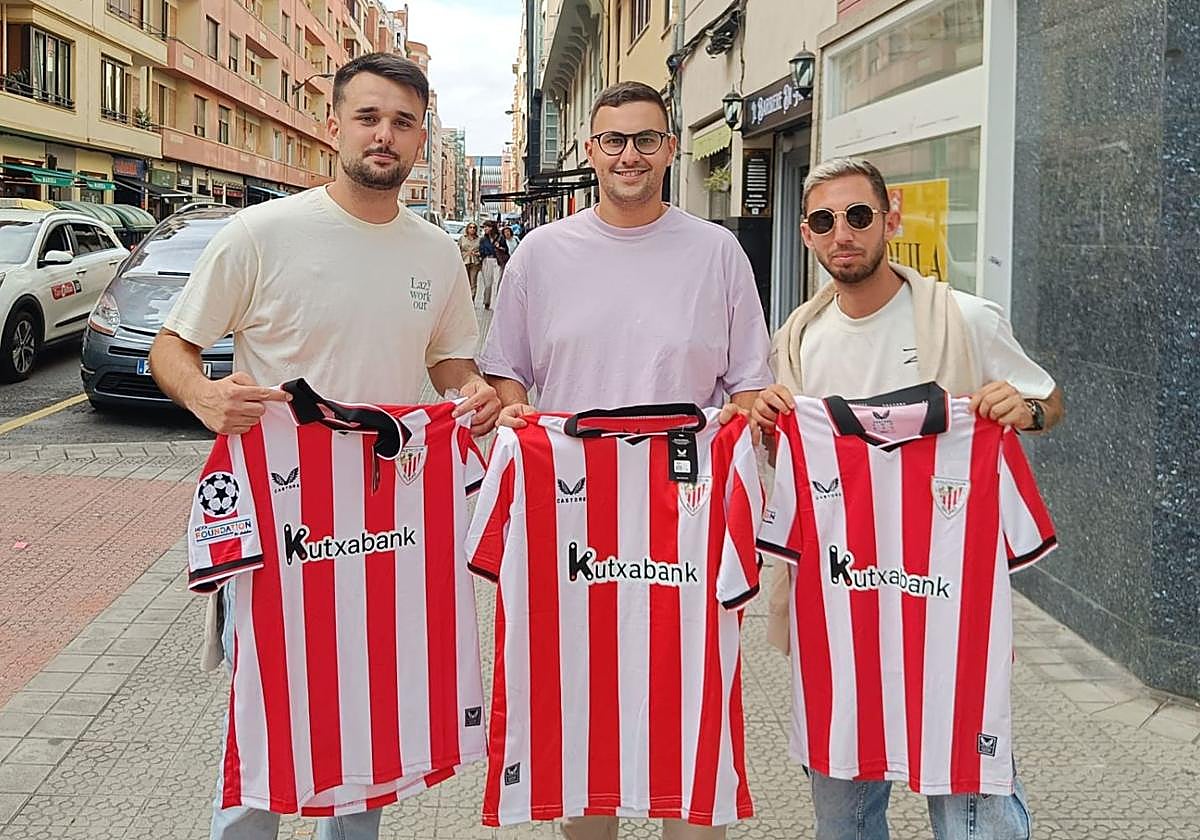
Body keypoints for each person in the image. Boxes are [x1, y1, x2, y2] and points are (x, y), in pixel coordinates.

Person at [148, 52, 500, 840]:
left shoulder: (434, 252)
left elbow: (449, 359)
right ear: (332, 124)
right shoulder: (261, 233)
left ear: (420, 140)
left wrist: (470, 392)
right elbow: (173, 345)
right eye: (368, 117)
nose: (384, 135)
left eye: (403, 122)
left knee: (369, 720)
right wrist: (204, 395)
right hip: (282, 524)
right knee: (267, 715)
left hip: (388, 525)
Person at [480, 80, 772, 840]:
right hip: (571, 517)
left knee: (690, 713)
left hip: (685, 518)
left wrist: (739, 434)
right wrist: (516, 415)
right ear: (591, 150)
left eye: (646, 139)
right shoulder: (541, 255)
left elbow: (749, 384)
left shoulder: (717, 252)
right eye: (614, 140)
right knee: (581, 710)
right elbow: (506, 371)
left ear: (671, 149)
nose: (629, 155)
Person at [750, 157, 1063, 840]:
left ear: (890, 218)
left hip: (943, 619)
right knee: (845, 820)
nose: (843, 234)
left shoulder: (964, 318)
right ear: (806, 234)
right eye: (824, 221)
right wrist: (767, 428)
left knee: (972, 820)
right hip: (842, 620)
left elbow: (1048, 400)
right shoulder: (795, 340)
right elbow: (787, 470)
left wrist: (1026, 411)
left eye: (858, 215)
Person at [459, 221, 482, 297]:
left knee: (473, 281)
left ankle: (472, 298)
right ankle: (465, 298)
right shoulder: (462, 238)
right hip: (464, 260)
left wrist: (477, 254)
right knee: (465, 281)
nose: (472, 229)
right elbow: (458, 249)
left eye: (474, 228)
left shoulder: (479, 239)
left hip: (475, 262)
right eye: (470, 227)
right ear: (467, 229)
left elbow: (482, 250)